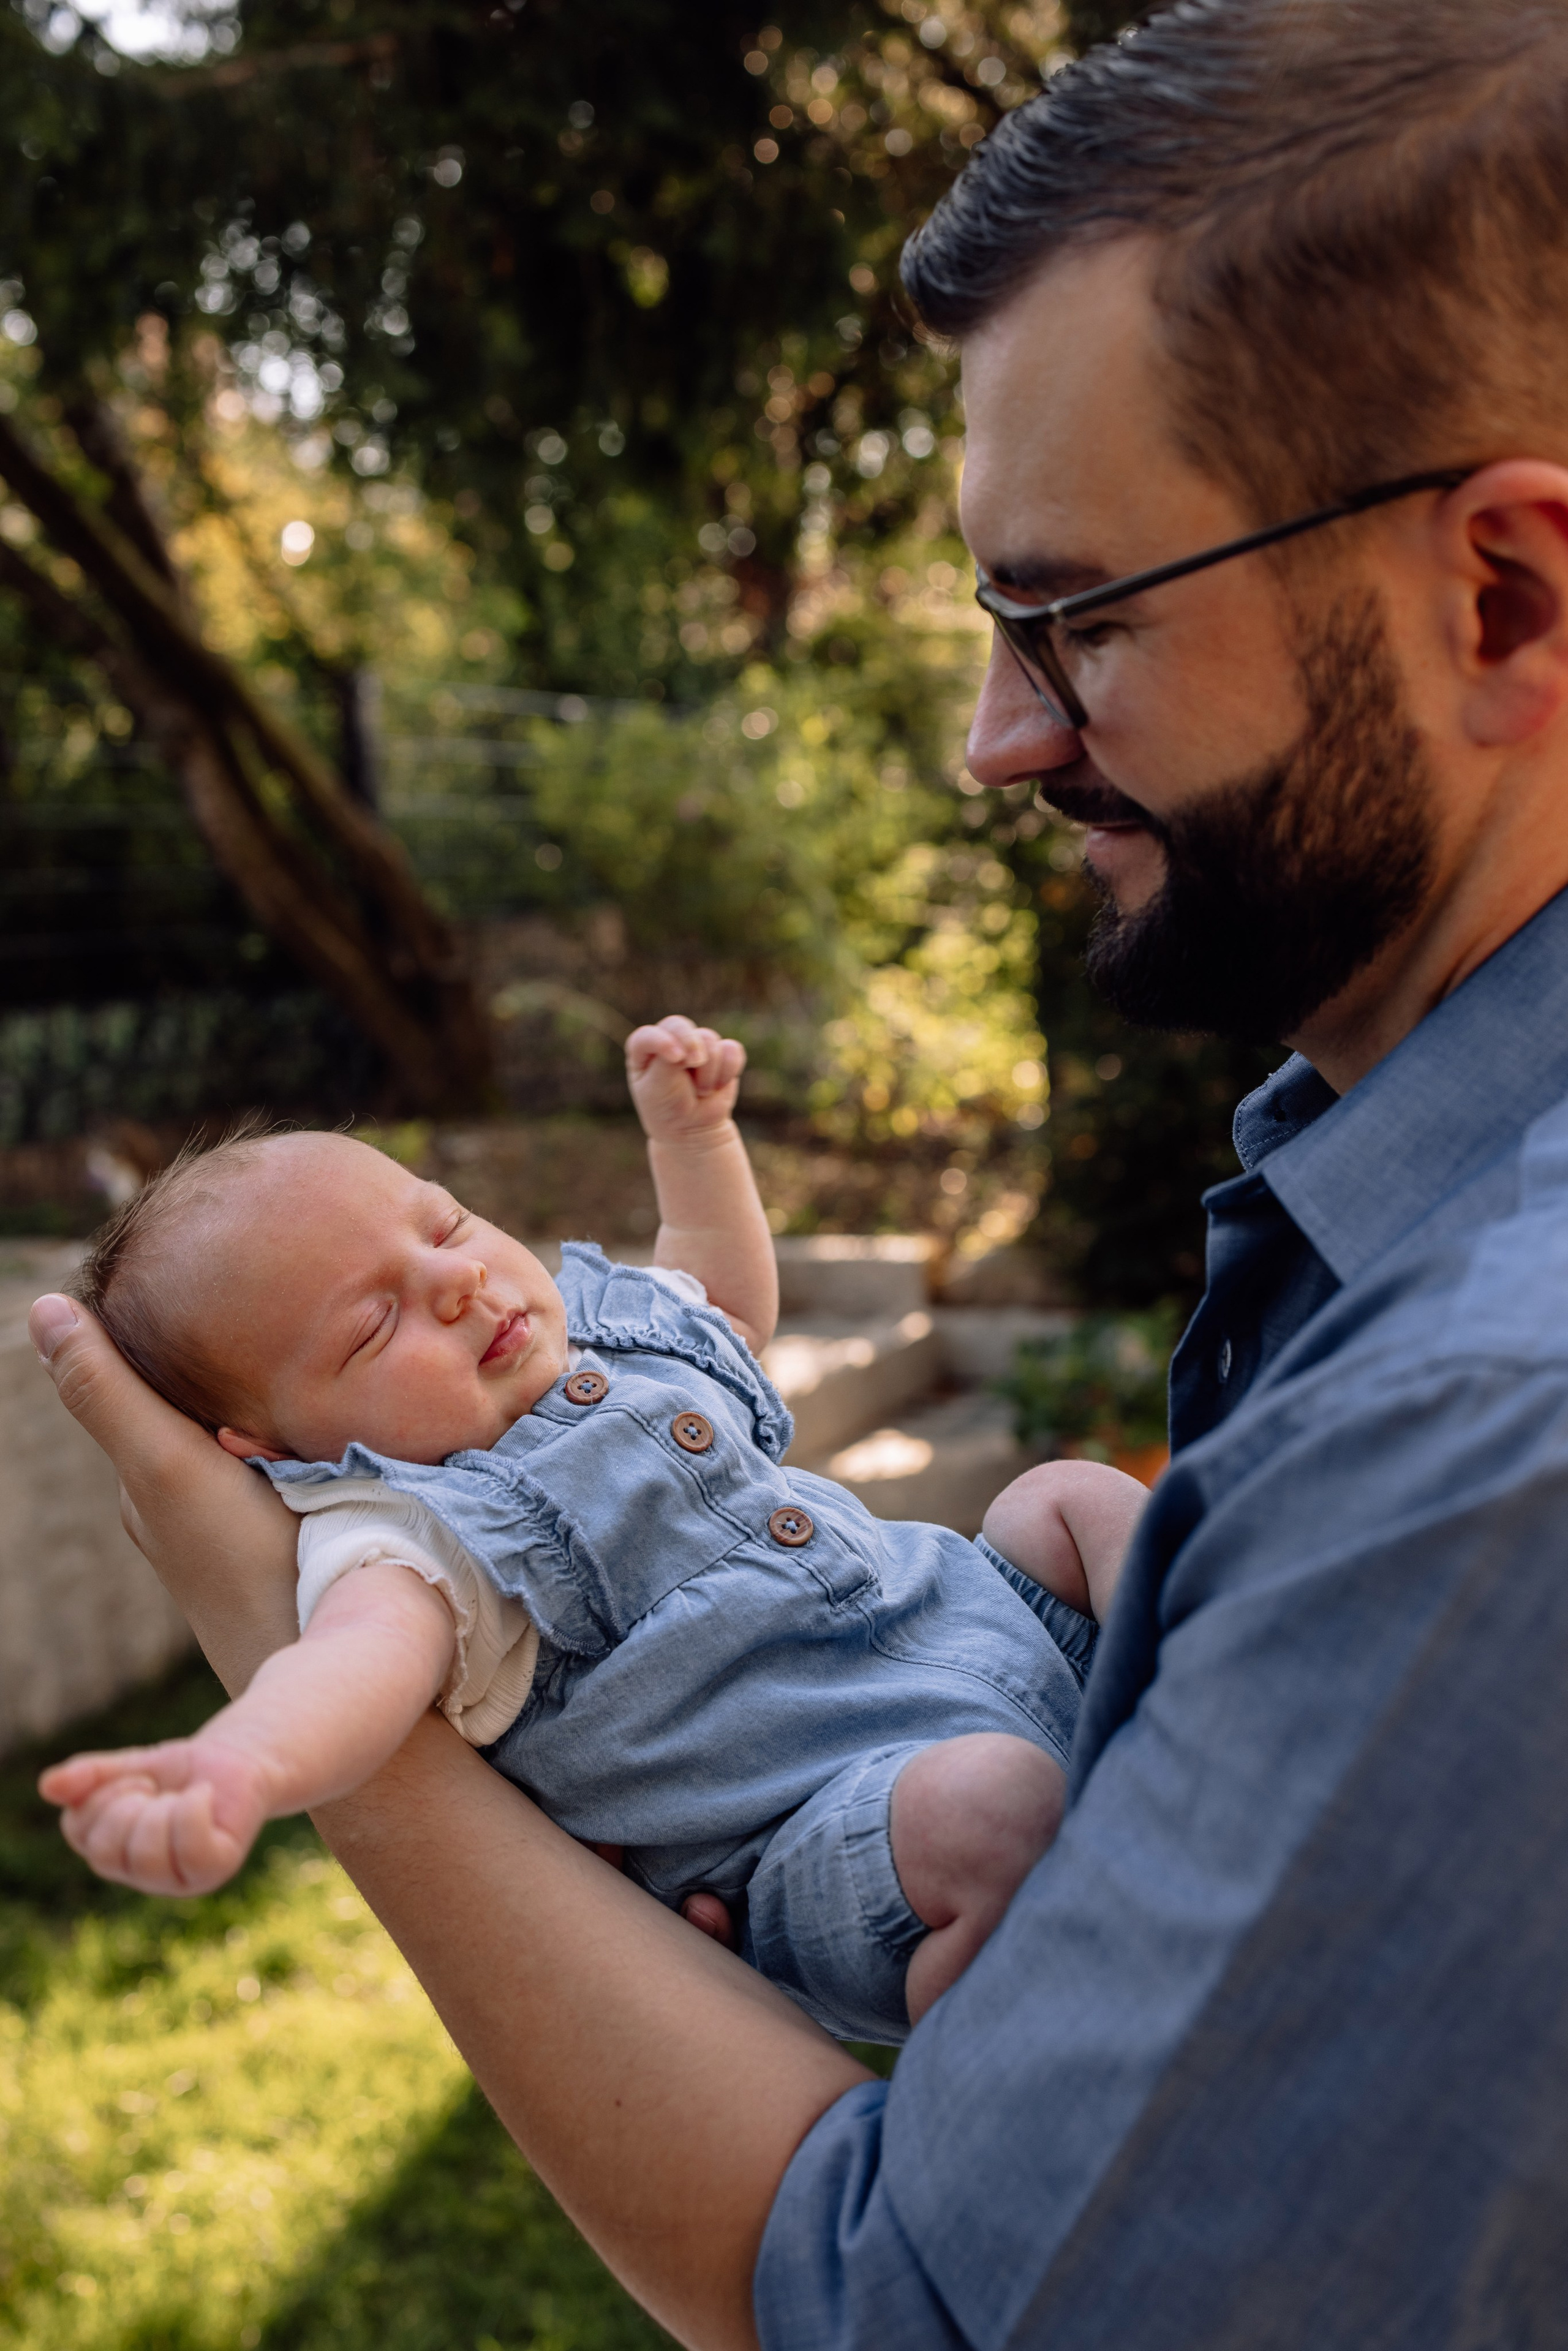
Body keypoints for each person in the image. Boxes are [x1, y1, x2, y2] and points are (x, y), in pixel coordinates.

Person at [28, 0, 1568, 2339]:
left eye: (1080, 617)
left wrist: (273, 1652)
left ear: (1509, 596)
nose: (991, 737)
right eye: (991, 621)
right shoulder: (1385, 1193)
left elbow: (921, 2302)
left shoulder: (1476, 1431)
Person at [37, 1017, 1140, 2043]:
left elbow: (728, 1304)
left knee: (1077, 1499)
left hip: (1002, 1635)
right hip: (845, 1825)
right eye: (375, 1323)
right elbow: (350, 1662)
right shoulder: (414, 1528)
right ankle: (1029, 2065)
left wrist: (694, 1135)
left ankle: (1221, 1695)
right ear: (276, 1451)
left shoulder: (608, 1344)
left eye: (443, 1222)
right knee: (997, 1808)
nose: (458, 1279)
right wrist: (241, 1760)